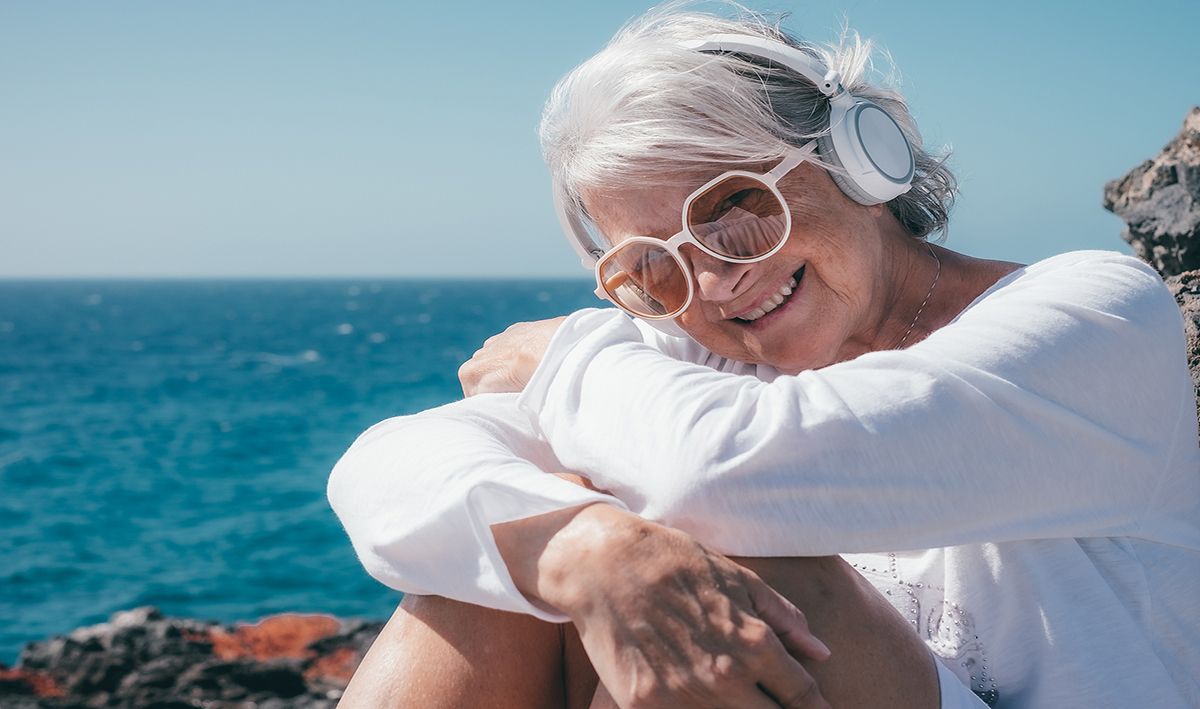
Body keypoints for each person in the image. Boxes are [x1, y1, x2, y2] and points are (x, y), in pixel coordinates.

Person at [327, 5, 1200, 708]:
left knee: (734, 570)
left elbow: (729, 472)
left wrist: (563, 359)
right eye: (653, 265)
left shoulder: (1099, 314)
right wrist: (587, 549)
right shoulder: (670, 363)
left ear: (857, 159)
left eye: (734, 210)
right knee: (506, 556)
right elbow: (381, 472)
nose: (711, 283)